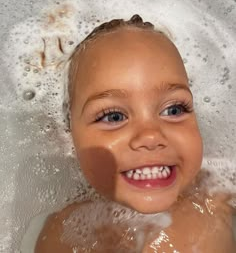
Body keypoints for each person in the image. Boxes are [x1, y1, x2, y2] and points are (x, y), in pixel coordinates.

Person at [35, 15, 236, 252]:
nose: (151, 136)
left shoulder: (221, 198)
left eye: (174, 109)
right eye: (114, 117)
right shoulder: (64, 236)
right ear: (67, 139)